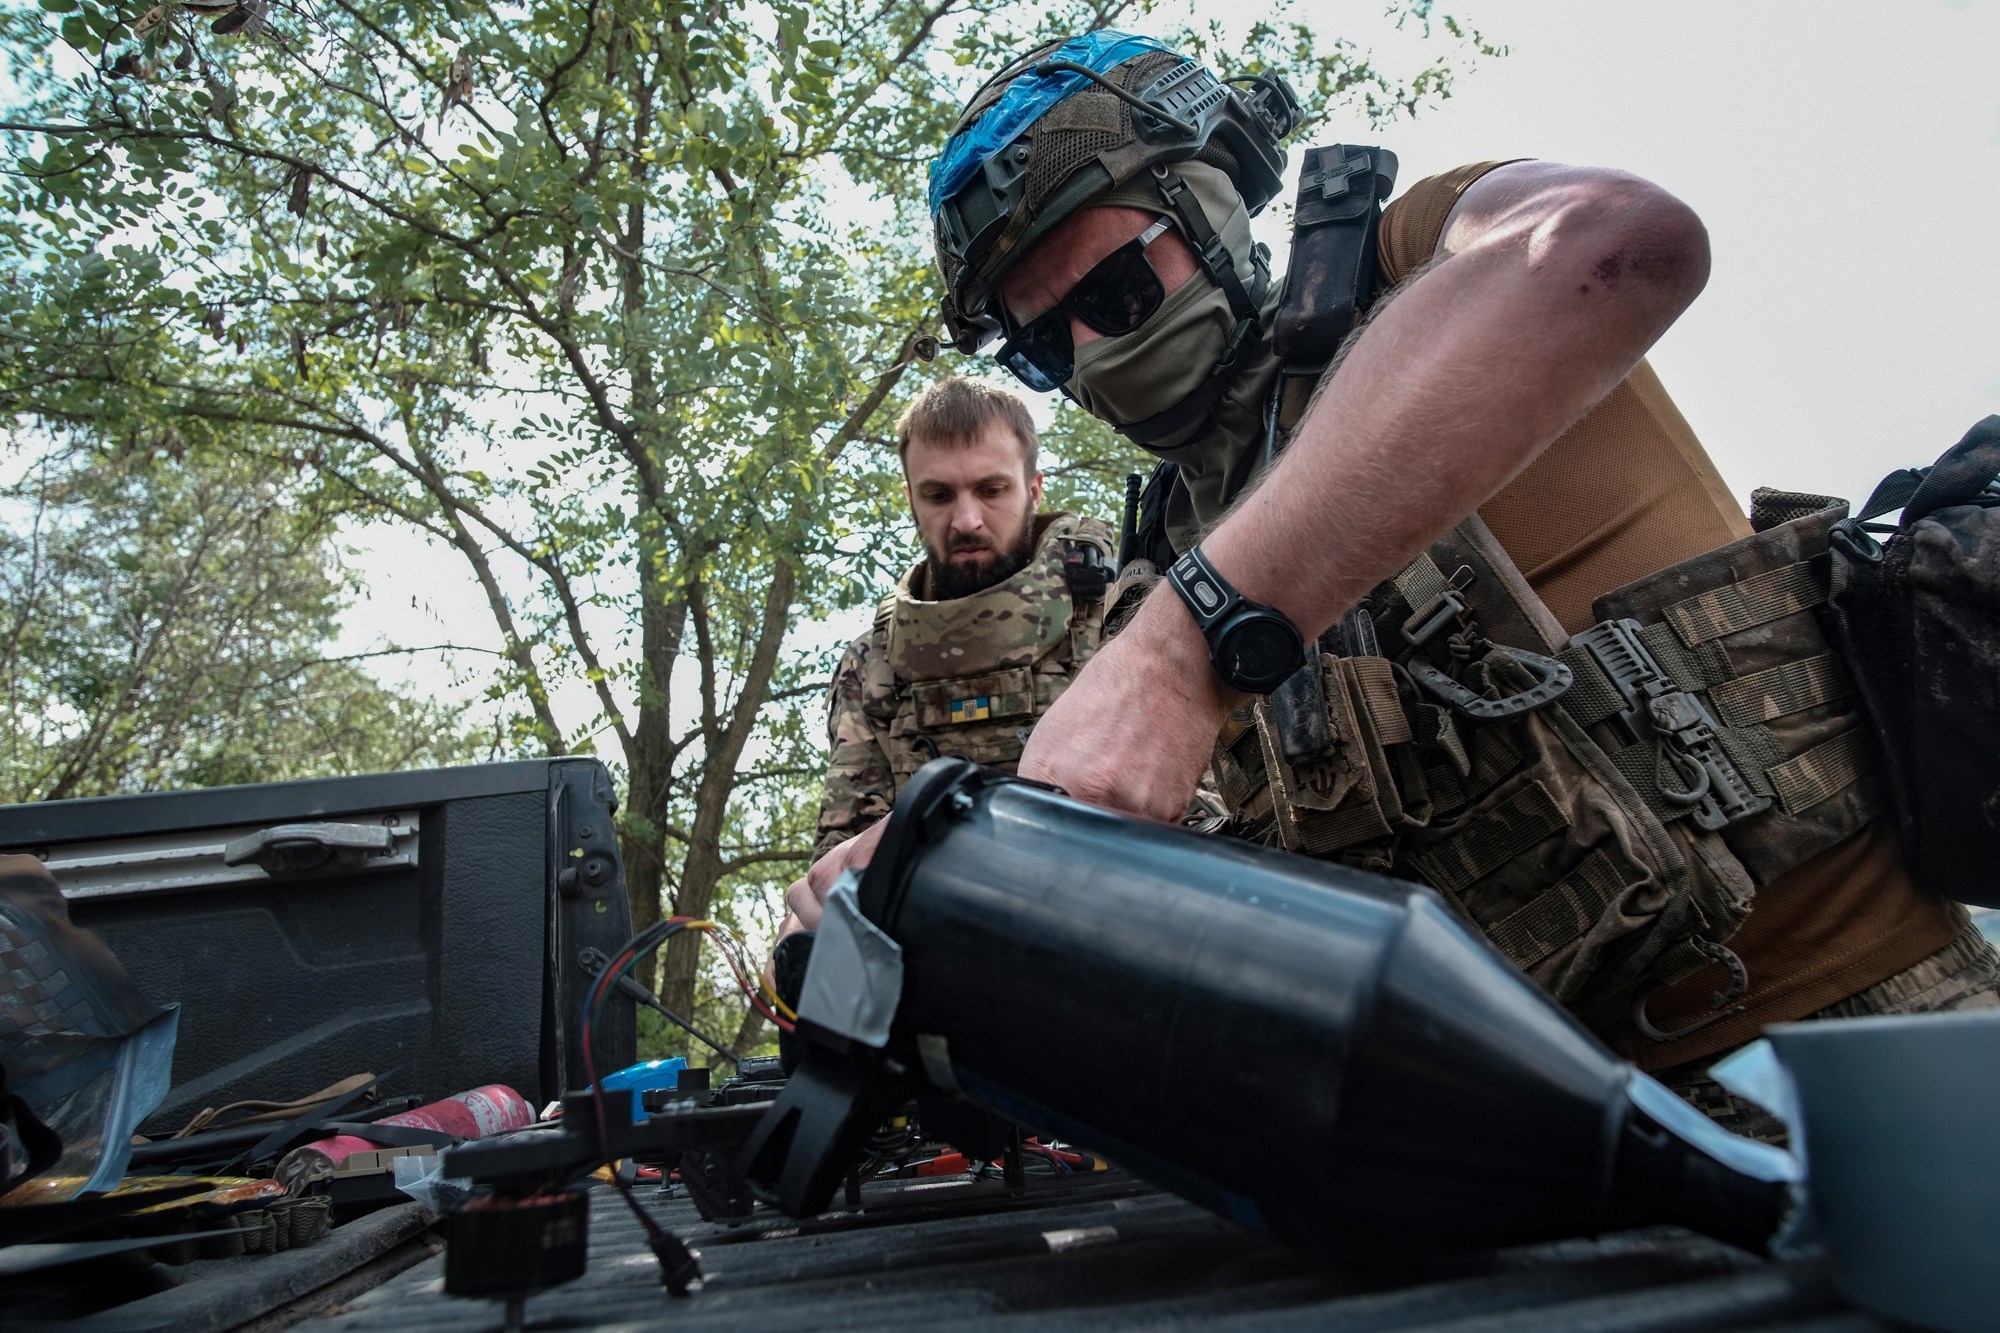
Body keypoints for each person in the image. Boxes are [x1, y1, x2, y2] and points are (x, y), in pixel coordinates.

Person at [786, 33, 1999, 1135]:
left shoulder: (1416, 256)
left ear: (1209, 209)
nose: (1098, 355)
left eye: (1113, 294)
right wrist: (938, 872)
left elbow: (1616, 242)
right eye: (1050, 343)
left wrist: (1180, 651)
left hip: (1860, 1047)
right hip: (1545, 1141)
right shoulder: (1166, 544)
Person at [811, 376, 1119, 861]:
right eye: (939, 496)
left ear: (1034, 490)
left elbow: (1202, 818)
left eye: (991, 489)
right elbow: (843, 861)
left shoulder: (1123, 618)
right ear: (911, 499)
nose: (967, 520)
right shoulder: (872, 665)